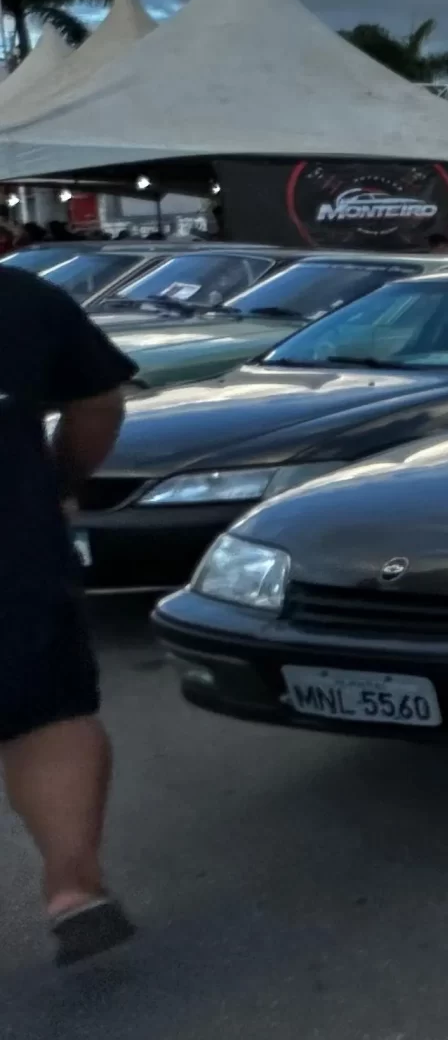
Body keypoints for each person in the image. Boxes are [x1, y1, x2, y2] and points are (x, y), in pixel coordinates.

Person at [2, 262, 141, 964]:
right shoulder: (19, 299)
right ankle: (74, 889)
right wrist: (55, 481)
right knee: (47, 714)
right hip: (11, 545)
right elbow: (97, 404)